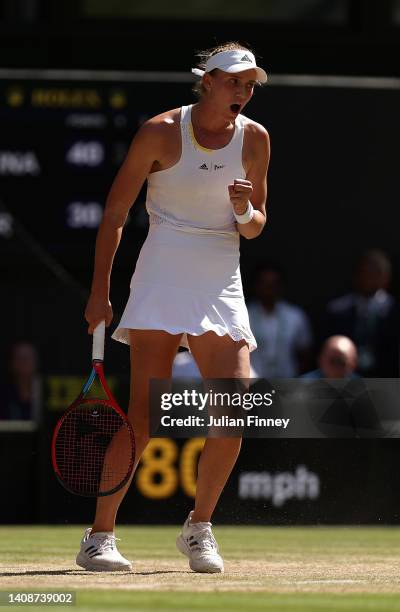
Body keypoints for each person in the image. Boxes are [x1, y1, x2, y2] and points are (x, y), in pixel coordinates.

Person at [77, 42, 270, 573]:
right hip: (164, 263)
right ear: (205, 81)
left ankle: (199, 528)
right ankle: (99, 536)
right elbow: (115, 214)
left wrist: (244, 209)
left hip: (219, 272)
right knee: (142, 413)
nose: (244, 92)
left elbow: (256, 227)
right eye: (234, 81)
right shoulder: (160, 131)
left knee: (234, 410)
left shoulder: (256, 139)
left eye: (250, 84)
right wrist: (100, 291)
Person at [324, 249, 399, 376]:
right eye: (365, 272)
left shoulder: (395, 312)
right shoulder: (337, 310)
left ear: (386, 277)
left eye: (375, 273)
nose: (369, 278)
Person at [247, 262, 313, 378]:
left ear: (281, 286)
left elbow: (305, 352)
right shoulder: (243, 316)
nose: (269, 288)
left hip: (287, 382)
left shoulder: (295, 315)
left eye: (273, 284)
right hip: (253, 385)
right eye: (264, 283)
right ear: (256, 285)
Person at [0, 341, 41, 421]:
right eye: (19, 358)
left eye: (28, 358)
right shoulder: (3, 395)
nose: (24, 362)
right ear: (12, 363)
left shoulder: (45, 394)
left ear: (36, 362)